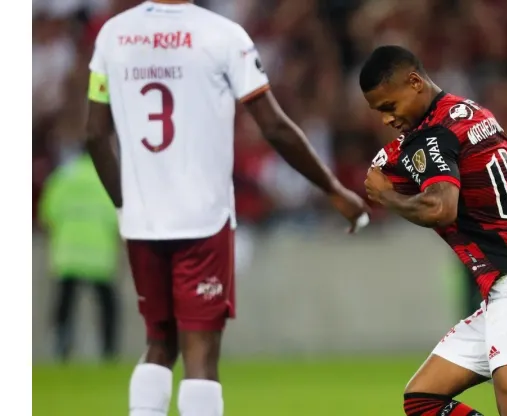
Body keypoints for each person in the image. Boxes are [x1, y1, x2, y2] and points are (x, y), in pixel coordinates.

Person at [84, 2, 369, 415]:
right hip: (202, 220)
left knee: (158, 342)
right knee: (200, 352)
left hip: (142, 222)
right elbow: (272, 125)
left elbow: (94, 134)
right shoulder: (222, 35)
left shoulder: (113, 34)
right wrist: (332, 187)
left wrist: (126, 204)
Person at [362, 46, 507, 416]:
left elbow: (441, 208)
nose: (386, 119)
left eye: (389, 106)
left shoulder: (430, 136)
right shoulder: (473, 112)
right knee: (422, 399)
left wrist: (388, 196)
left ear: (414, 82)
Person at [39, 151, 120, 362]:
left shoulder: (64, 175)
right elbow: (119, 214)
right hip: (98, 252)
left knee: (65, 303)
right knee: (107, 305)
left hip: (68, 250)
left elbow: (47, 212)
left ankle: (62, 347)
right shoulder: (107, 176)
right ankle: (108, 349)